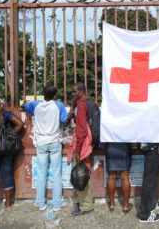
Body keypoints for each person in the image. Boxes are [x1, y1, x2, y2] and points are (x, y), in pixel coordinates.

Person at [22, 85, 68, 213]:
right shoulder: (59, 105)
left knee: (41, 173)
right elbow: (64, 121)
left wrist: (25, 103)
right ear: (55, 95)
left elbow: (23, 106)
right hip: (54, 141)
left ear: (43, 94)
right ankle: (57, 203)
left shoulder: (35, 105)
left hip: (41, 142)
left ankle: (40, 202)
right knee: (56, 173)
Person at [69, 82, 95, 216]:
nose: (72, 94)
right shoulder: (89, 103)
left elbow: (81, 131)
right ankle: (87, 201)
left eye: (74, 92)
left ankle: (86, 206)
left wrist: (78, 150)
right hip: (89, 143)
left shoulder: (81, 105)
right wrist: (72, 106)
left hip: (82, 144)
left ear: (81, 92)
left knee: (80, 174)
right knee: (85, 171)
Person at [138, 143, 159, 223]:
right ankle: (145, 214)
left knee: (154, 177)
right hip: (150, 147)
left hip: (153, 147)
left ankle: (152, 204)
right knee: (149, 180)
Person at [106, 143, 132, 213]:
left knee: (111, 177)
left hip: (111, 147)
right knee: (125, 177)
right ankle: (126, 205)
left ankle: (111, 204)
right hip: (124, 148)